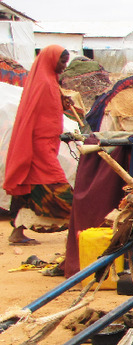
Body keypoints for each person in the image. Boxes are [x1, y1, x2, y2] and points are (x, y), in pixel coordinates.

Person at [3, 45, 73, 245]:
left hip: (46, 146)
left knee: (28, 189)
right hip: (38, 149)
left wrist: (62, 104)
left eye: (65, 62)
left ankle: (17, 233)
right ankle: (81, 224)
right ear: (52, 60)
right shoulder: (43, 82)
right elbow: (33, 117)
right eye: (62, 62)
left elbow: (46, 111)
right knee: (58, 186)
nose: (64, 66)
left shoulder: (49, 80)